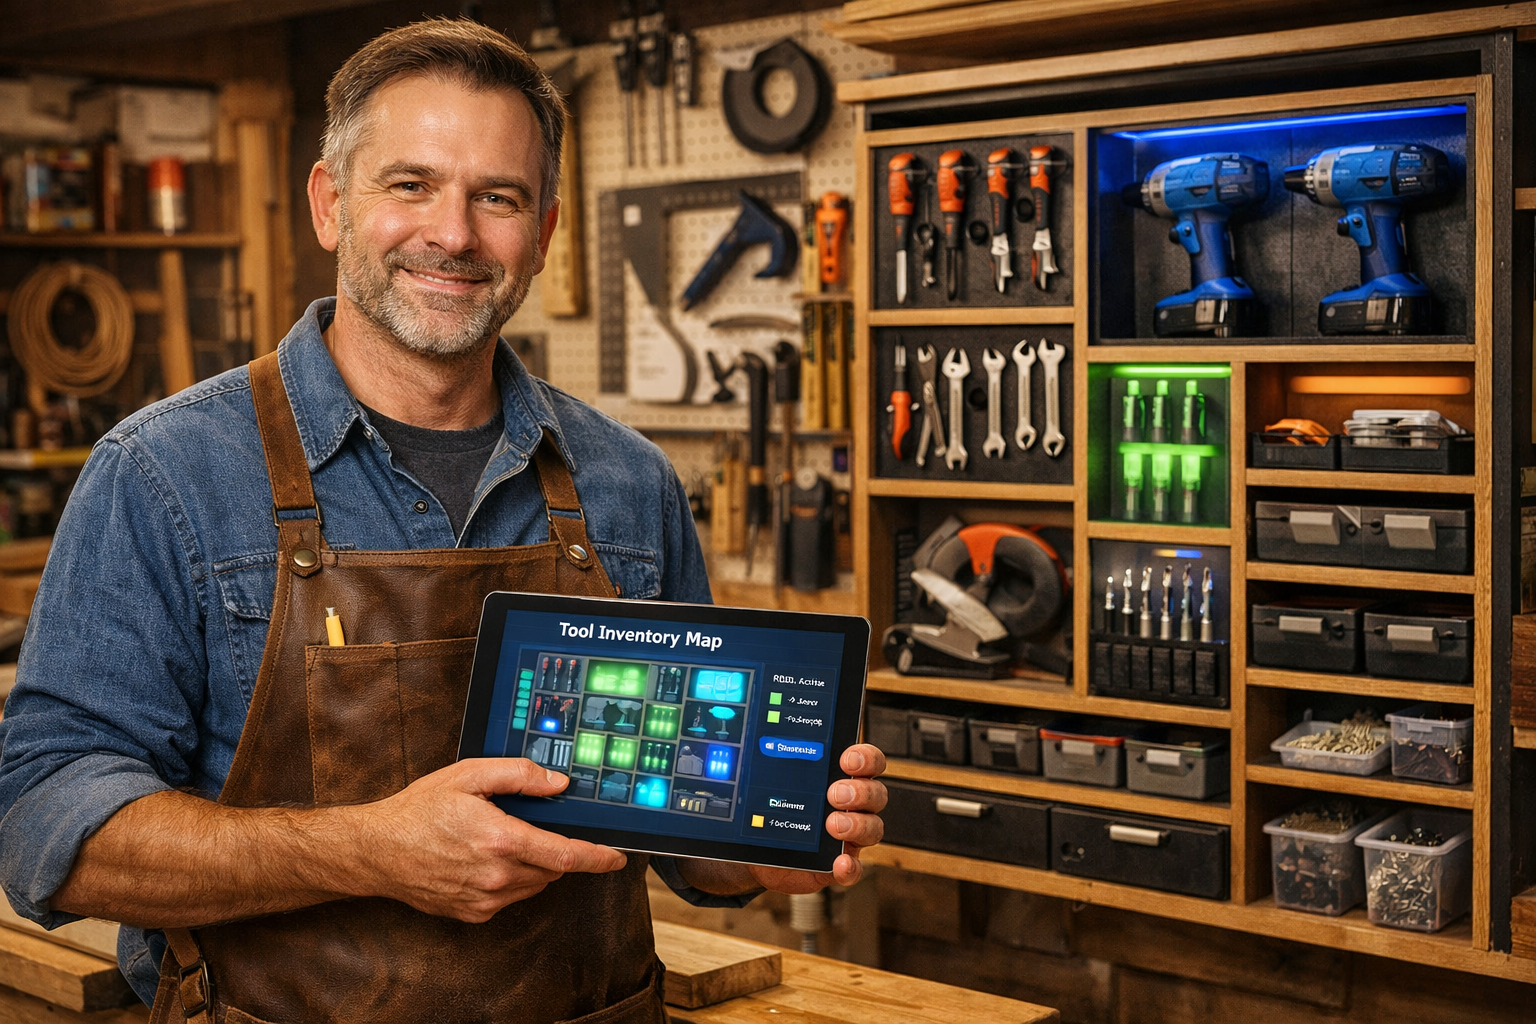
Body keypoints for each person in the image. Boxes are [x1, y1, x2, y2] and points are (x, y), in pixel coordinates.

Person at [0, 19, 885, 1024]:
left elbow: (679, 841)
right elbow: (44, 822)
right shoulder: (164, 476)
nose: (455, 235)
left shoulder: (627, 485)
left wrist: (771, 847)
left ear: (544, 233)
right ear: (332, 205)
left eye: (497, 197)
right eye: (410, 184)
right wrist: (371, 849)